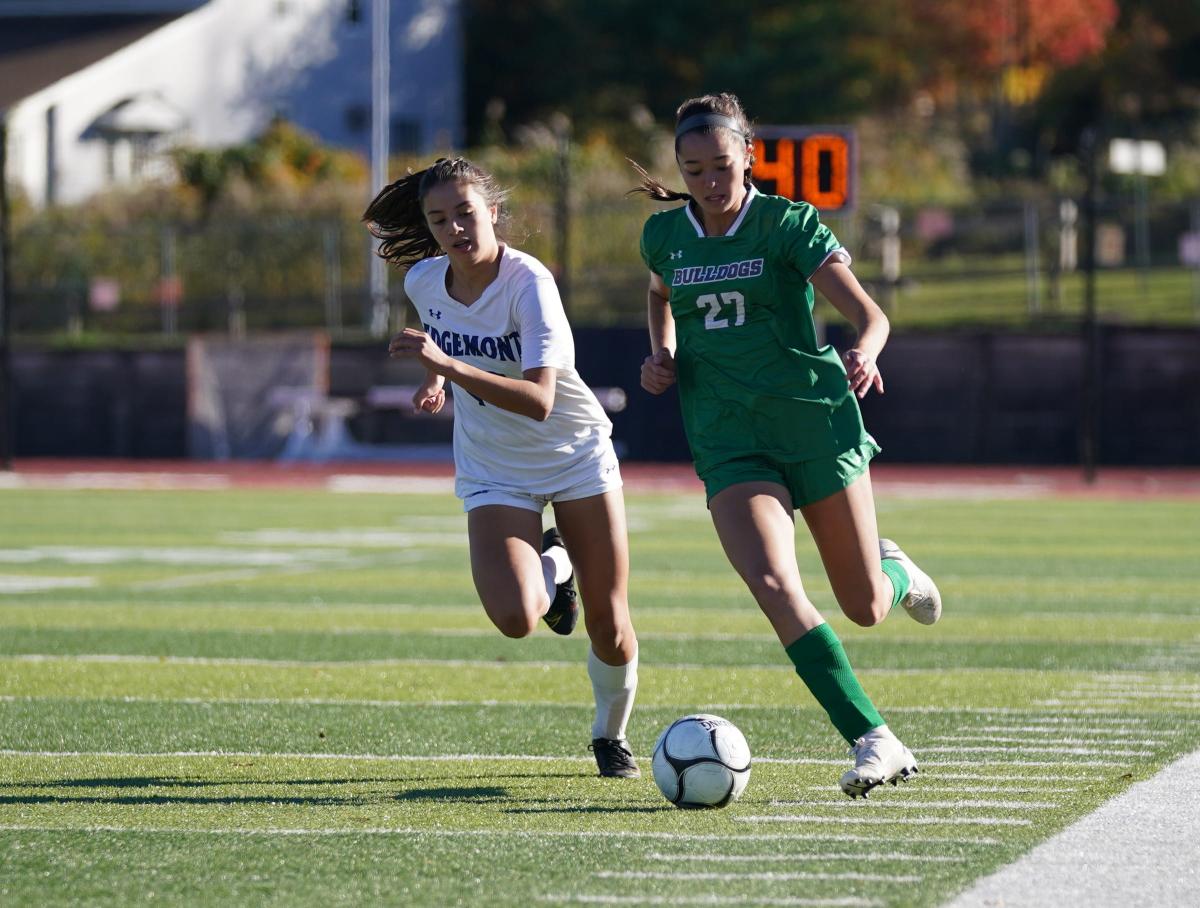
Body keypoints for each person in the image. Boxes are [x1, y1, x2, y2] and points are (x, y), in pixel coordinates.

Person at [632, 93, 942, 798]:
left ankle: (895, 571)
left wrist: (864, 350)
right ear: (679, 170)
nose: (710, 182)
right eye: (694, 169)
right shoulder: (663, 236)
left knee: (864, 605)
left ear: (749, 155)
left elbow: (870, 314)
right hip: (728, 441)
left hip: (813, 424)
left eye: (720, 164)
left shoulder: (787, 223)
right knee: (774, 585)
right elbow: (659, 294)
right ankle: (874, 737)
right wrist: (663, 352)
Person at [365, 157, 640, 778]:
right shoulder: (423, 282)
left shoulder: (529, 284)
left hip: (573, 455)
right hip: (494, 465)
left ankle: (609, 735)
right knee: (516, 618)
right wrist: (436, 379)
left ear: (493, 211)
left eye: (466, 212)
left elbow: (541, 401)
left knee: (610, 622)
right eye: (440, 219)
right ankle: (557, 560)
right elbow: (446, 336)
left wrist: (449, 367)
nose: (455, 228)